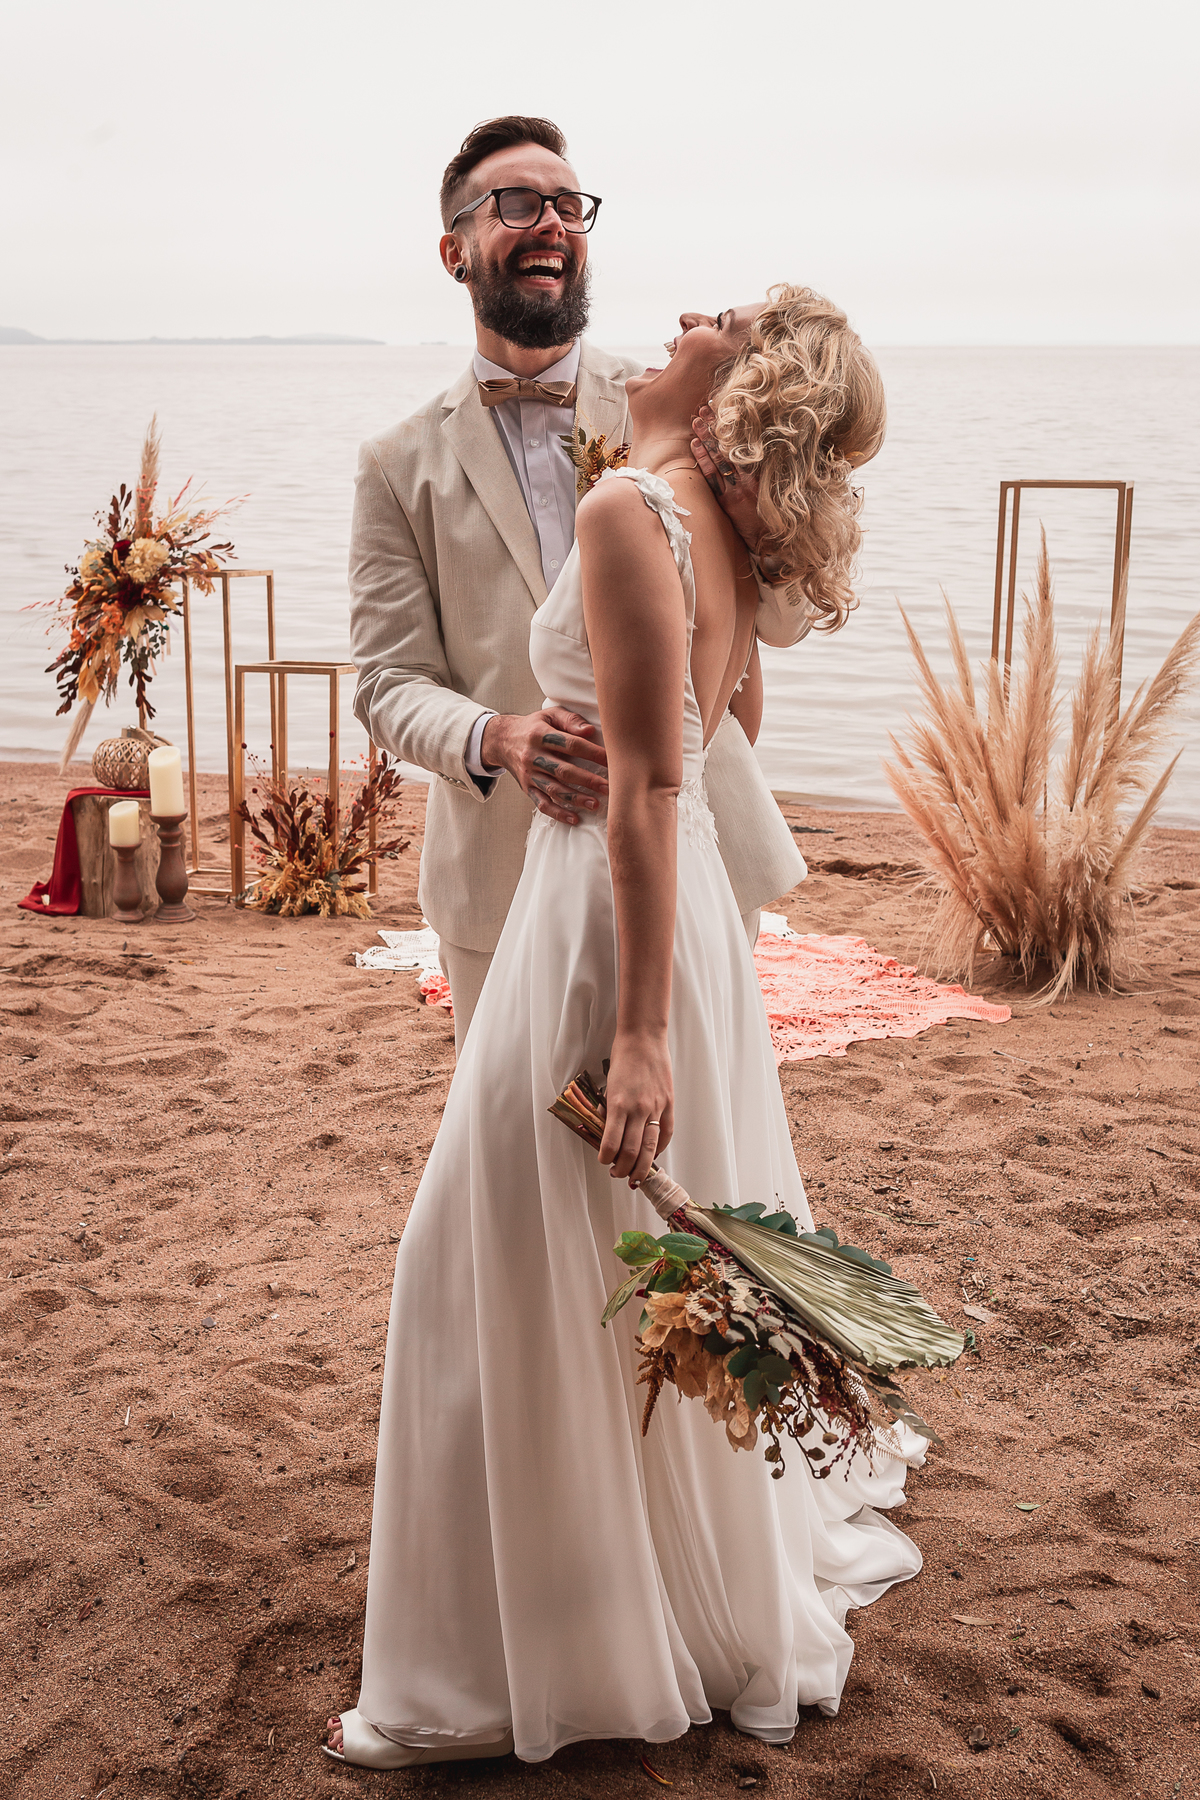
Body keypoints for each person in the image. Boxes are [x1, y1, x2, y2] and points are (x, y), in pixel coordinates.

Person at [324, 285, 923, 1771]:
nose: (677, 321)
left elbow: (657, 789)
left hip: (607, 924)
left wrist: (640, 1034)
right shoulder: (695, 519)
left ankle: (536, 1640)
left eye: (715, 322)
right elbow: (728, 735)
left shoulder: (628, 518)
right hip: (671, 914)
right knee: (605, 1253)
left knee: (489, 1259)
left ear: (738, 392)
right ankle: (630, 1584)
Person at [350, 116, 824, 1054]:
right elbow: (386, 683)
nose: (554, 222)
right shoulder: (396, 462)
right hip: (501, 868)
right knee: (530, 1150)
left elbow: (785, 620)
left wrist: (762, 513)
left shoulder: (681, 397)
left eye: (570, 204)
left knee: (689, 1144)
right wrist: (501, 737)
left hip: (699, 842)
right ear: (456, 253)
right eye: (518, 204)